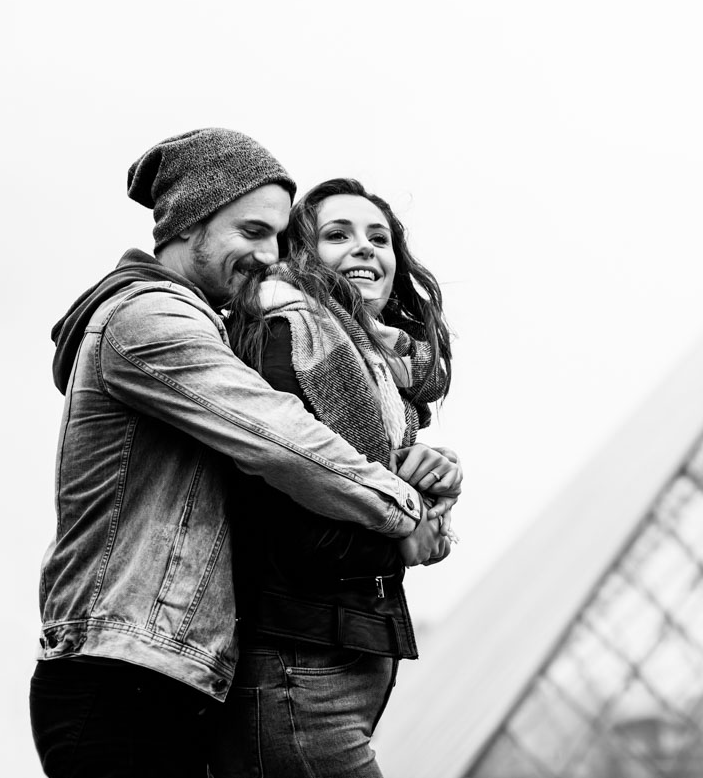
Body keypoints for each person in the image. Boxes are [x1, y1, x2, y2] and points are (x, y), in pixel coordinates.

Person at [32, 130, 434, 778]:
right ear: (190, 220)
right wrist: (403, 510)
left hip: (163, 675)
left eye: (277, 235)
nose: (269, 254)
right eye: (251, 230)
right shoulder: (146, 318)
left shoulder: (197, 322)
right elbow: (282, 438)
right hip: (123, 678)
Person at [213, 177, 460, 778]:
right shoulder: (287, 336)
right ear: (300, 252)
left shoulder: (375, 370)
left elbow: (360, 477)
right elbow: (280, 510)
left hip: (336, 656)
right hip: (299, 662)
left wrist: (427, 478)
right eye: (337, 235)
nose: (364, 249)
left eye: (379, 237)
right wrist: (403, 524)